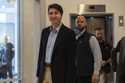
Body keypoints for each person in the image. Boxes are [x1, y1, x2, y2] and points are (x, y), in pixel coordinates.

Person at [36, 3, 76, 83]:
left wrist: (70, 80)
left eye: (56, 13)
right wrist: (38, 74)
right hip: (44, 72)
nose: (53, 16)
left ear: (61, 15)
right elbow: (41, 54)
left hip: (60, 74)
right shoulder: (45, 32)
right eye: (51, 13)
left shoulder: (69, 33)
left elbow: (71, 60)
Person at [73, 15, 102, 83]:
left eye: (82, 22)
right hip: (75, 75)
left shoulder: (91, 38)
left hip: (88, 76)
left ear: (86, 23)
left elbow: (97, 56)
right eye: (77, 22)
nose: (79, 23)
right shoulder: (72, 38)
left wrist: (96, 73)